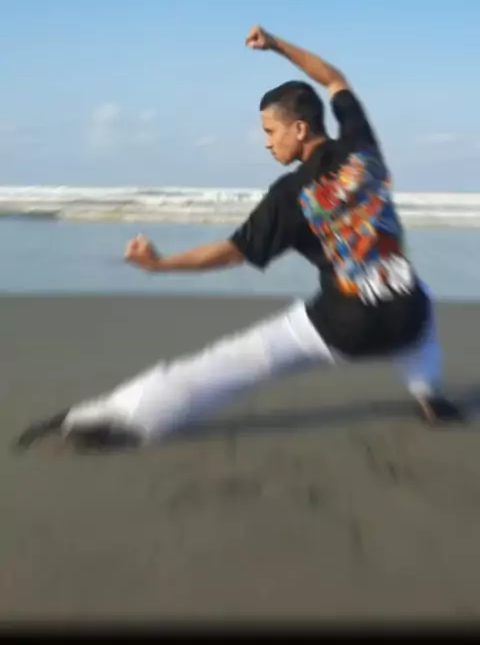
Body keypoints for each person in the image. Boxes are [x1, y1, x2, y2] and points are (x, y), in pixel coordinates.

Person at [16, 26, 463, 450]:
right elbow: (333, 78)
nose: (267, 143)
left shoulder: (290, 195)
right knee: (413, 295)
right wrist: (277, 45)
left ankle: (115, 417)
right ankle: (429, 394)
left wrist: (160, 264)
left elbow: (230, 253)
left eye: (270, 131)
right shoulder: (361, 145)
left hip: (342, 329)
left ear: (299, 129)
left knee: (225, 364)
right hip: (407, 318)